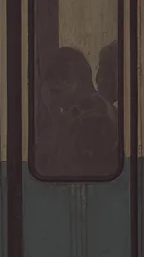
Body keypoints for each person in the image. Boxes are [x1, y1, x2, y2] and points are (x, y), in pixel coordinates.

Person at [34, 47, 119, 177]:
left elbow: (63, 169)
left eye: (54, 90)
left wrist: (51, 110)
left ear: (72, 82)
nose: (51, 95)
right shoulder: (95, 108)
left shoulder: (89, 118)